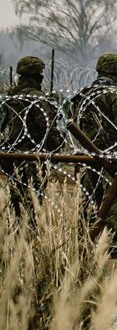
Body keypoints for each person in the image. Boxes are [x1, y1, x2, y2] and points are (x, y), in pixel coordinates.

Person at [73, 52, 117, 257]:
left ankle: (83, 238)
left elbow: (75, 122)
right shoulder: (114, 93)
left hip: (86, 154)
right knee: (112, 199)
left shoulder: (84, 93)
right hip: (111, 155)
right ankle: (108, 243)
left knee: (88, 197)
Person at [0, 56, 63, 224]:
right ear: (35, 75)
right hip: (32, 155)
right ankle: (27, 235)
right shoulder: (37, 97)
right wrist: (57, 149)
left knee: (15, 196)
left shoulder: (11, 96)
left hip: (12, 153)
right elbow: (47, 128)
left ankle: (14, 232)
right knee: (32, 199)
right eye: (40, 73)